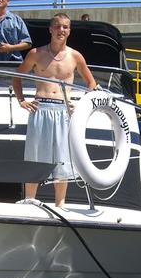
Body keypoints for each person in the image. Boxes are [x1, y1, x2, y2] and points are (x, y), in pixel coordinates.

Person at [12, 13, 97, 208]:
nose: (61, 30)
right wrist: (22, 101)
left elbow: (91, 83)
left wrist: (82, 104)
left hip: (63, 111)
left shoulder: (75, 56)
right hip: (40, 108)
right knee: (35, 156)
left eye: (65, 27)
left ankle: (60, 204)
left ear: (69, 31)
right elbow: (16, 77)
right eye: (57, 26)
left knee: (63, 157)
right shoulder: (36, 53)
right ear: (51, 29)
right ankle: (30, 201)